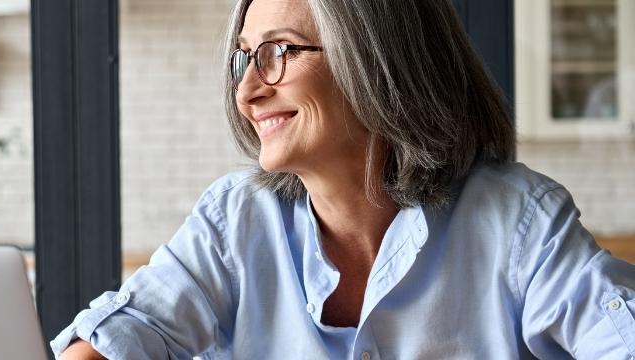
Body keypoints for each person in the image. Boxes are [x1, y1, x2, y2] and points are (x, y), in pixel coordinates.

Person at [51, 0, 635, 358]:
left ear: (376, 60)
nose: (249, 90)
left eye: (278, 52)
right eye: (243, 58)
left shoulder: (519, 221)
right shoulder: (235, 221)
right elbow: (130, 331)